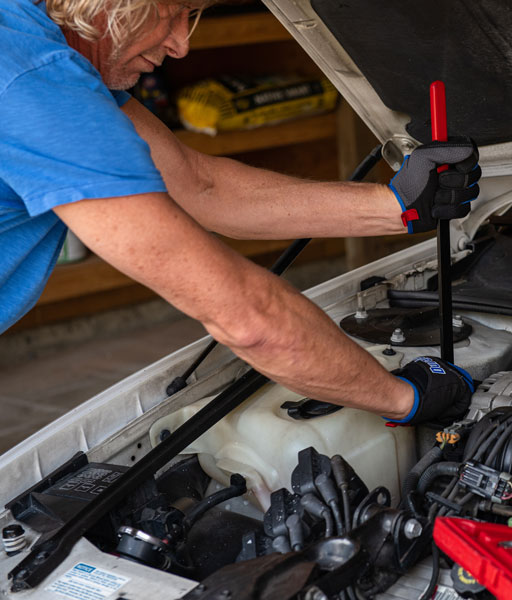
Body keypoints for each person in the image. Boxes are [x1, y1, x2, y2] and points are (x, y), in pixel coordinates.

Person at [0, 0, 480, 424]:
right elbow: (245, 316)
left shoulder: (33, 34)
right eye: (173, 12)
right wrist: (404, 398)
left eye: (191, 16)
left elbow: (200, 185)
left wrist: (398, 204)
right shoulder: (36, 82)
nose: (181, 44)